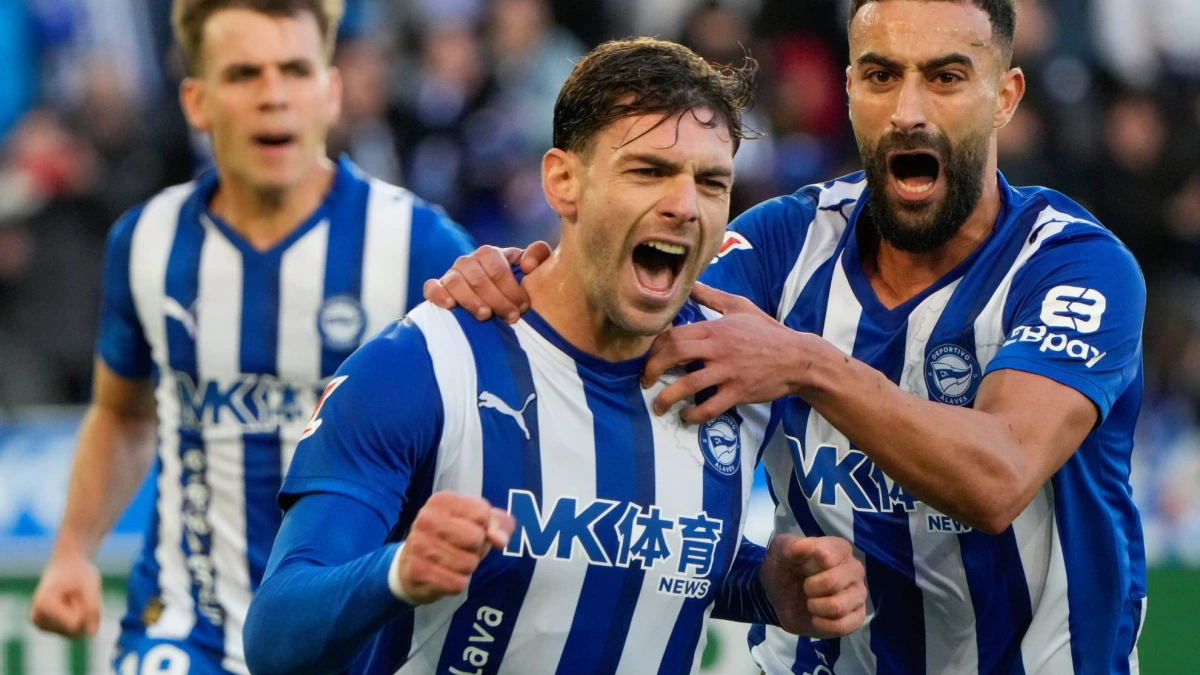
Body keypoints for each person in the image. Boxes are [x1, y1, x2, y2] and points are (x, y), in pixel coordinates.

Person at [425, 1, 1150, 673]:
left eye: (946, 78)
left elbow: (998, 480)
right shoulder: (783, 244)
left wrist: (808, 363)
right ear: (849, 90)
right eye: (881, 76)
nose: (908, 111)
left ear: (1005, 97)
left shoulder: (1074, 267)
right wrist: (518, 283)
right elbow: (622, 337)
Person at [242, 37, 867, 675]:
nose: (684, 206)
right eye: (647, 171)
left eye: (711, 182)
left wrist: (763, 587)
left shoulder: (730, 375)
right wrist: (396, 572)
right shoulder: (423, 365)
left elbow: (631, 550)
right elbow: (274, 636)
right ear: (562, 181)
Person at [28, 1, 478, 673]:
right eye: (243, 74)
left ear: (330, 92)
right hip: (187, 630)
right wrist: (71, 553)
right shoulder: (146, 241)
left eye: (294, 70)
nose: (273, 96)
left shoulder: (419, 245)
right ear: (197, 101)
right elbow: (122, 415)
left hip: (350, 635)